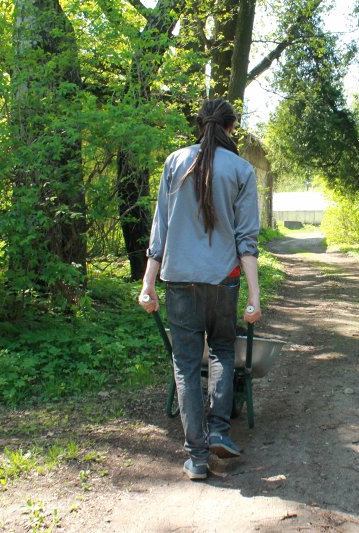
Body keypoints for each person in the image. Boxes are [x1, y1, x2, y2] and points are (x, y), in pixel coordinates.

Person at [138, 98, 262, 480]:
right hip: (223, 280)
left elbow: (159, 229)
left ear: (199, 125)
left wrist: (148, 283)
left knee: (186, 363)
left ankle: (196, 457)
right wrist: (254, 296)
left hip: (178, 280)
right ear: (230, 127)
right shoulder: (241, 169)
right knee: (224, 350)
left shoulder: (174, 163)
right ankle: (220, 431)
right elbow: (247, 241)